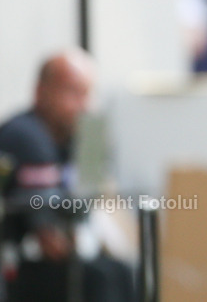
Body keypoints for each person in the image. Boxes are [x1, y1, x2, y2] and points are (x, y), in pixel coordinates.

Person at [0, 49, 134, 302]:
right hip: (18, 262)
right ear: (41, 92)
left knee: (125, 272)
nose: (83, 104)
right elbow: (49, 236)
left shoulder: (86, 133)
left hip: (68, 255)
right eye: (72, 92)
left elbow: (91, 202)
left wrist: (94, 143)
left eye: (87, 93)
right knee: (98, 279)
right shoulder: (23, 134)